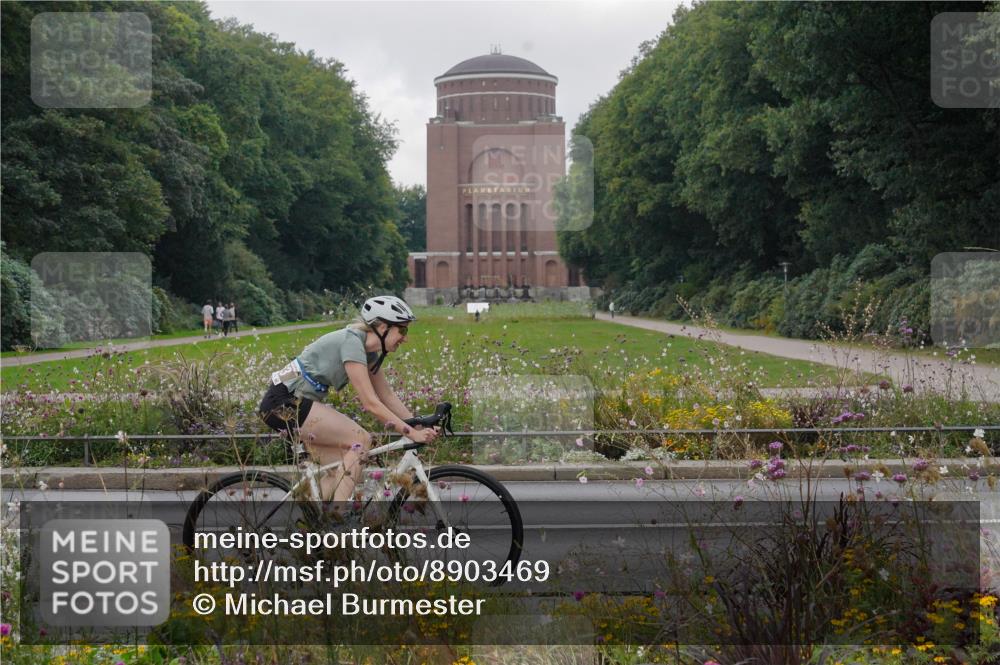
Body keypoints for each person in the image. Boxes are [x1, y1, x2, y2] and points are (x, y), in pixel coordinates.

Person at [259, 295, 438, 503]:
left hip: (294, 401)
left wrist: (417, 424)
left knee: (341, 470)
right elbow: (371, 403)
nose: (405, 338)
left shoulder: (367, 352)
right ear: (383, 328)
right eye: (402, 330)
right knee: (360, 441)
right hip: (283, 402)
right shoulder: (351, 342)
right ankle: (339, 521)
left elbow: (386, 396)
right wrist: (410, 433)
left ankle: (313, 520)